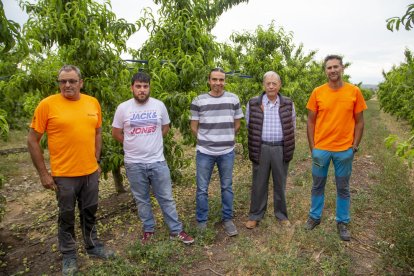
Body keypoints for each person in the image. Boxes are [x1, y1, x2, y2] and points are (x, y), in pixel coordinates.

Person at [27, 65, 114, 276]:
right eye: (63, 81)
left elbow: (98, 132)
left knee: (90, 211)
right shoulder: (47, 105)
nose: (67, 85)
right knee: (66, 216)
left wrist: (96, 159)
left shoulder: (92, 102)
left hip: (90, 172)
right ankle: (69, 255)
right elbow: (32, 140)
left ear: (80, 83)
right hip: (64, 175)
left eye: (72, 81)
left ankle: (93, 246)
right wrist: (43, 174)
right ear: (59, 83)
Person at [112, 72, 194, 245]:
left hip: (157, 161)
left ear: (149, 87)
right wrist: (133, 144)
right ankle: (148, 230)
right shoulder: (123, 108)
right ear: (132, 87)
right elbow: (116, 133)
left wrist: (152, 141)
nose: (142, 90)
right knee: (142, 199)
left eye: (145, 86)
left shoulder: (159, 105)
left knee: (166, 197)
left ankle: (176, 230)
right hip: (134, 164)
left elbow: (165, 127)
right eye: (138, 86)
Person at [304, 55, 367, 241]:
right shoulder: (318, 92)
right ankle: (314, 217)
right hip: (321, 149)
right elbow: (310, 121)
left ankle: (342, 221)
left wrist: (354, 146)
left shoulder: (354, 92)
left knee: (343, 187)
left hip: (344, 150)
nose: (332, 70)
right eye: (329, 67)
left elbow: (360, 123)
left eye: (335, 67)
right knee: (317, 185)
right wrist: (313, 148)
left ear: (342, 68)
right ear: (325, 70)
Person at [190, 67, 244, 236]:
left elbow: (237, 125)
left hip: (227, 151)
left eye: (221, 80)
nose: (218, 83)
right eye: (214, 79)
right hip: (204, 151)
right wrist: (208, 139)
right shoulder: (198, 101)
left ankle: (227, 219)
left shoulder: (233, 99)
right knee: (202, 188)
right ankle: (202, 221)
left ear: (225, 81)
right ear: (209, 81)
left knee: (227, 186)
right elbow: (193, 127)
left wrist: (224, 137)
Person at [245, 71, 296, 229]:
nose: (271, 86)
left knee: (280, 183)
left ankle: (281, 215)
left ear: (280, 85)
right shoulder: (253, 103)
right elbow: (249, 124)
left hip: (280, 147)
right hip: (261, 147)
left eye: (275, 83)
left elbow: (291, 125)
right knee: (259, 183)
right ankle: (255, 215)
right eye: (268, 83)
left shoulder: (288, 103)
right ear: (263, 85)